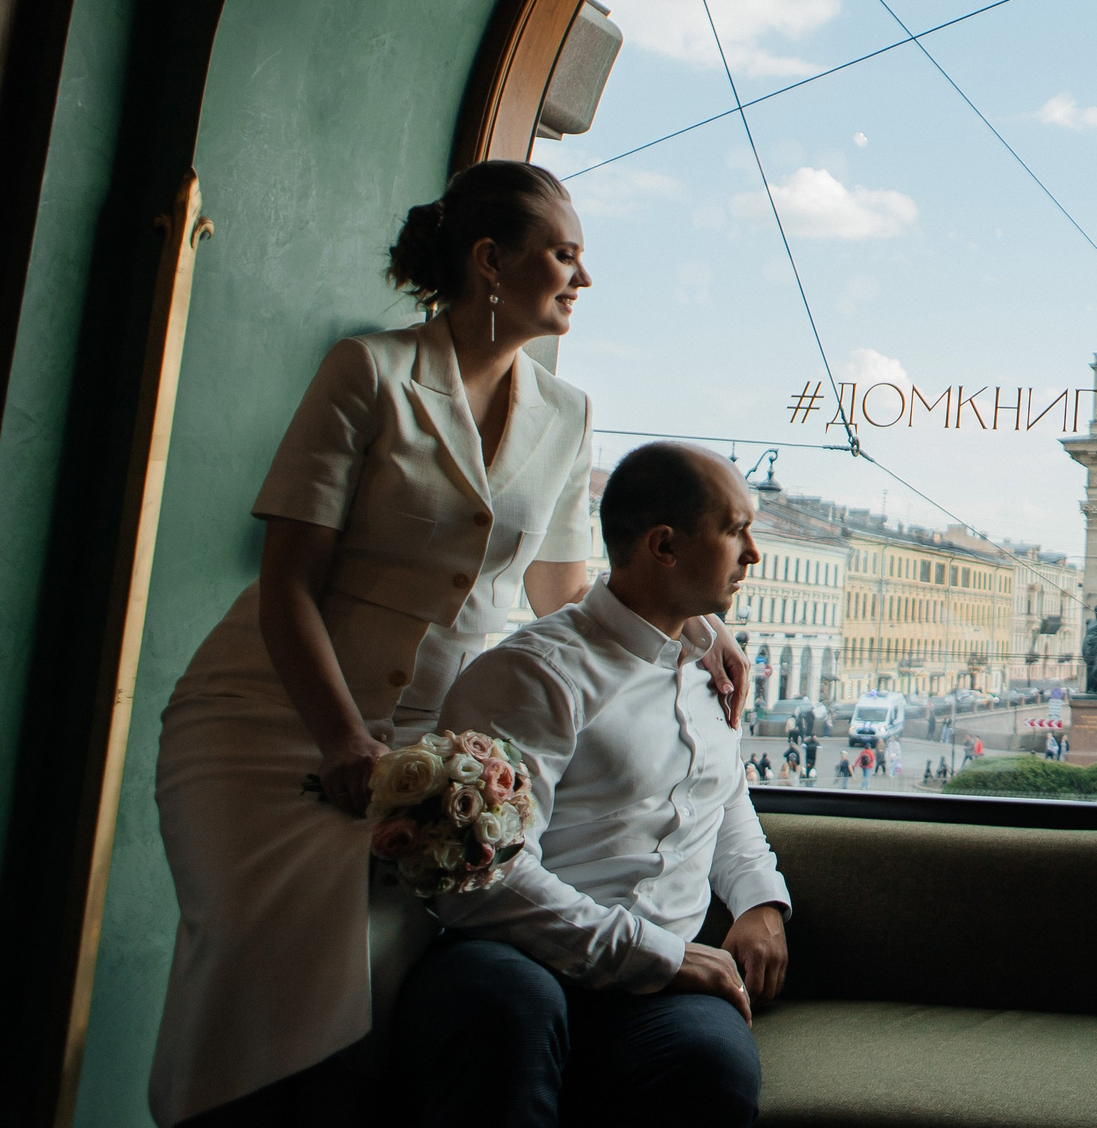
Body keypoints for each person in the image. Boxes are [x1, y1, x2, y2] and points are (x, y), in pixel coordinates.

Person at [145, 164, 744, 1128]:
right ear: (488, 261)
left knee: (372, 1000)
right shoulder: (369, 370)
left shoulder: (567, 412)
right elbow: (289, 581)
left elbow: (563, 593)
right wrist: (343, 739)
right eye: (565, 254)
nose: (582, 278)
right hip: (270, 724)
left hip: (435, 756)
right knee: (253, 974)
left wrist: (692, 627)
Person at [396, 443, 789, 1128]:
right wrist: (657, 955)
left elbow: (723, 798)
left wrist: (758, 899)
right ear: (663, 545)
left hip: (661, 979)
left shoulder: (711, 670)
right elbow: (485, 879)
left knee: (713, 1065)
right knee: (509, 1007)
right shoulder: (536, 673)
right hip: (521, 956)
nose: (752, 552)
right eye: (735, 530)